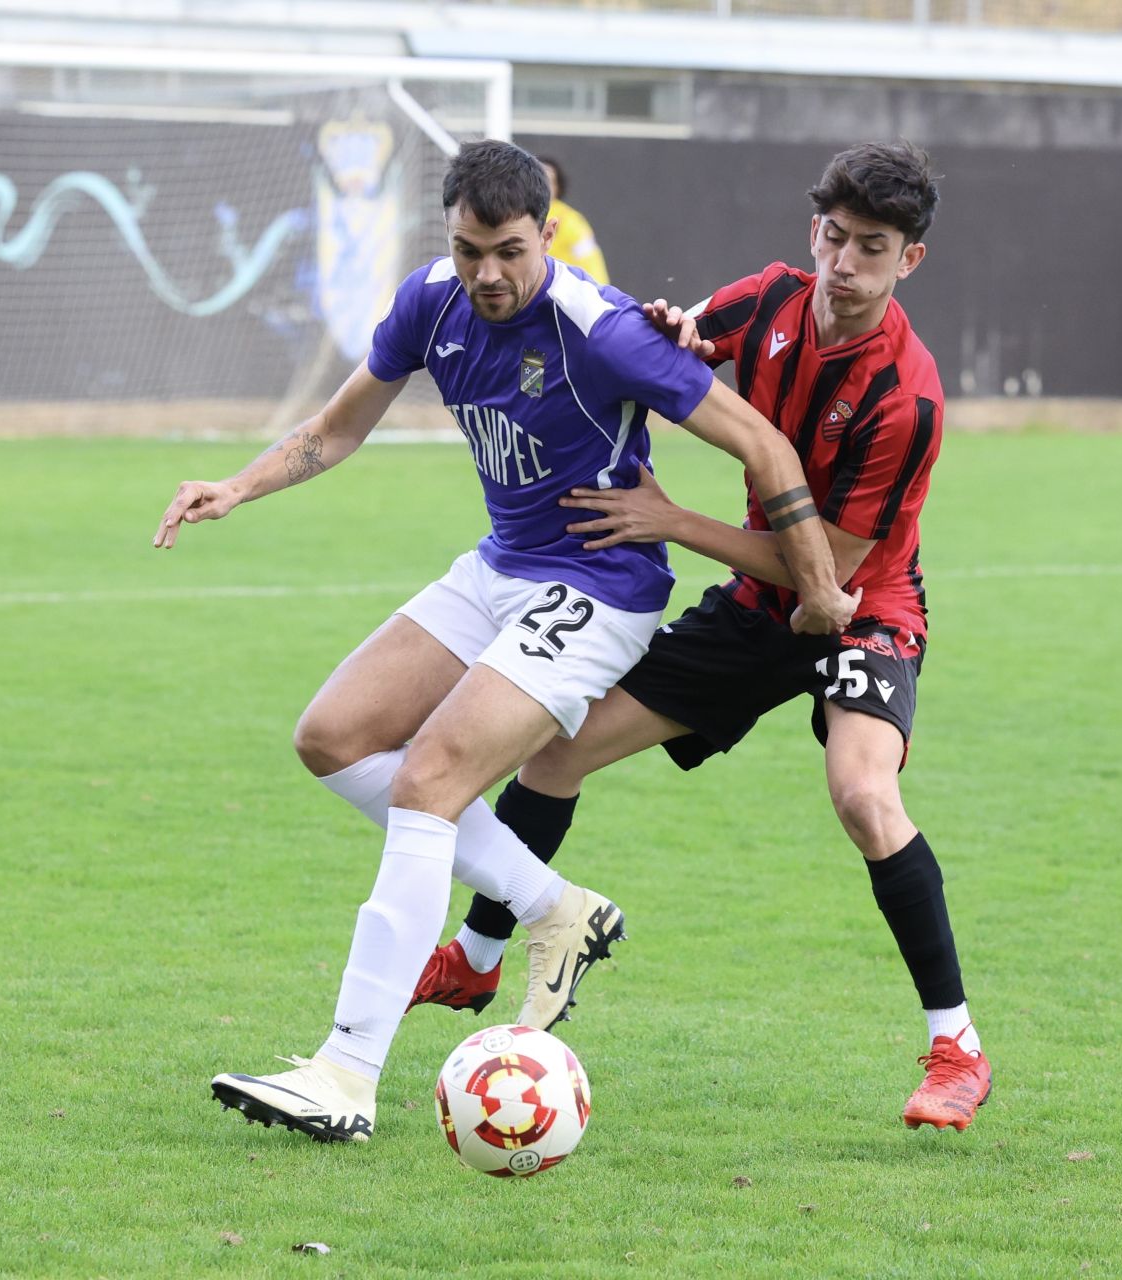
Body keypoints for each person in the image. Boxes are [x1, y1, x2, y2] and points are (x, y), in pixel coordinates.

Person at [152, 139, 858, 1144]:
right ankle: (554, 903)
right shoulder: (430, 301)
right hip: (498, 568)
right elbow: (338, 427)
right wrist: (236, 486)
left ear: (547, 234)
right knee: (331, 735)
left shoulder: (601, 330)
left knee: (428, 779)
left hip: (602, 586)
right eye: (470, 247)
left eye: (511, 251)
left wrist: (822, 587)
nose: (489, 272)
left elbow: (764, 443)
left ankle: (345, 1072)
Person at [411, 142, 992, 1132]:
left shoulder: (909, 396)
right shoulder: (768, 299)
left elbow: (827, 571)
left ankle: (955, 1045)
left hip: (862, 606)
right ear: (816, 232)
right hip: (756, 610)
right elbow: (676, 347)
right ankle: (476, 952)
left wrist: (670, 518)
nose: (846, 264)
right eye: (836, 238)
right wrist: (673, 332)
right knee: (556, 746)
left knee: (862, 791)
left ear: (910, 261)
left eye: (874, 248)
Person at [541, 156, 610, 284]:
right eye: (538, 179)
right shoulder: (516, 216)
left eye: (548, 181)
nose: (542, 185)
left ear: (558, 187)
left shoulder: (572, 222)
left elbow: (591, 263)